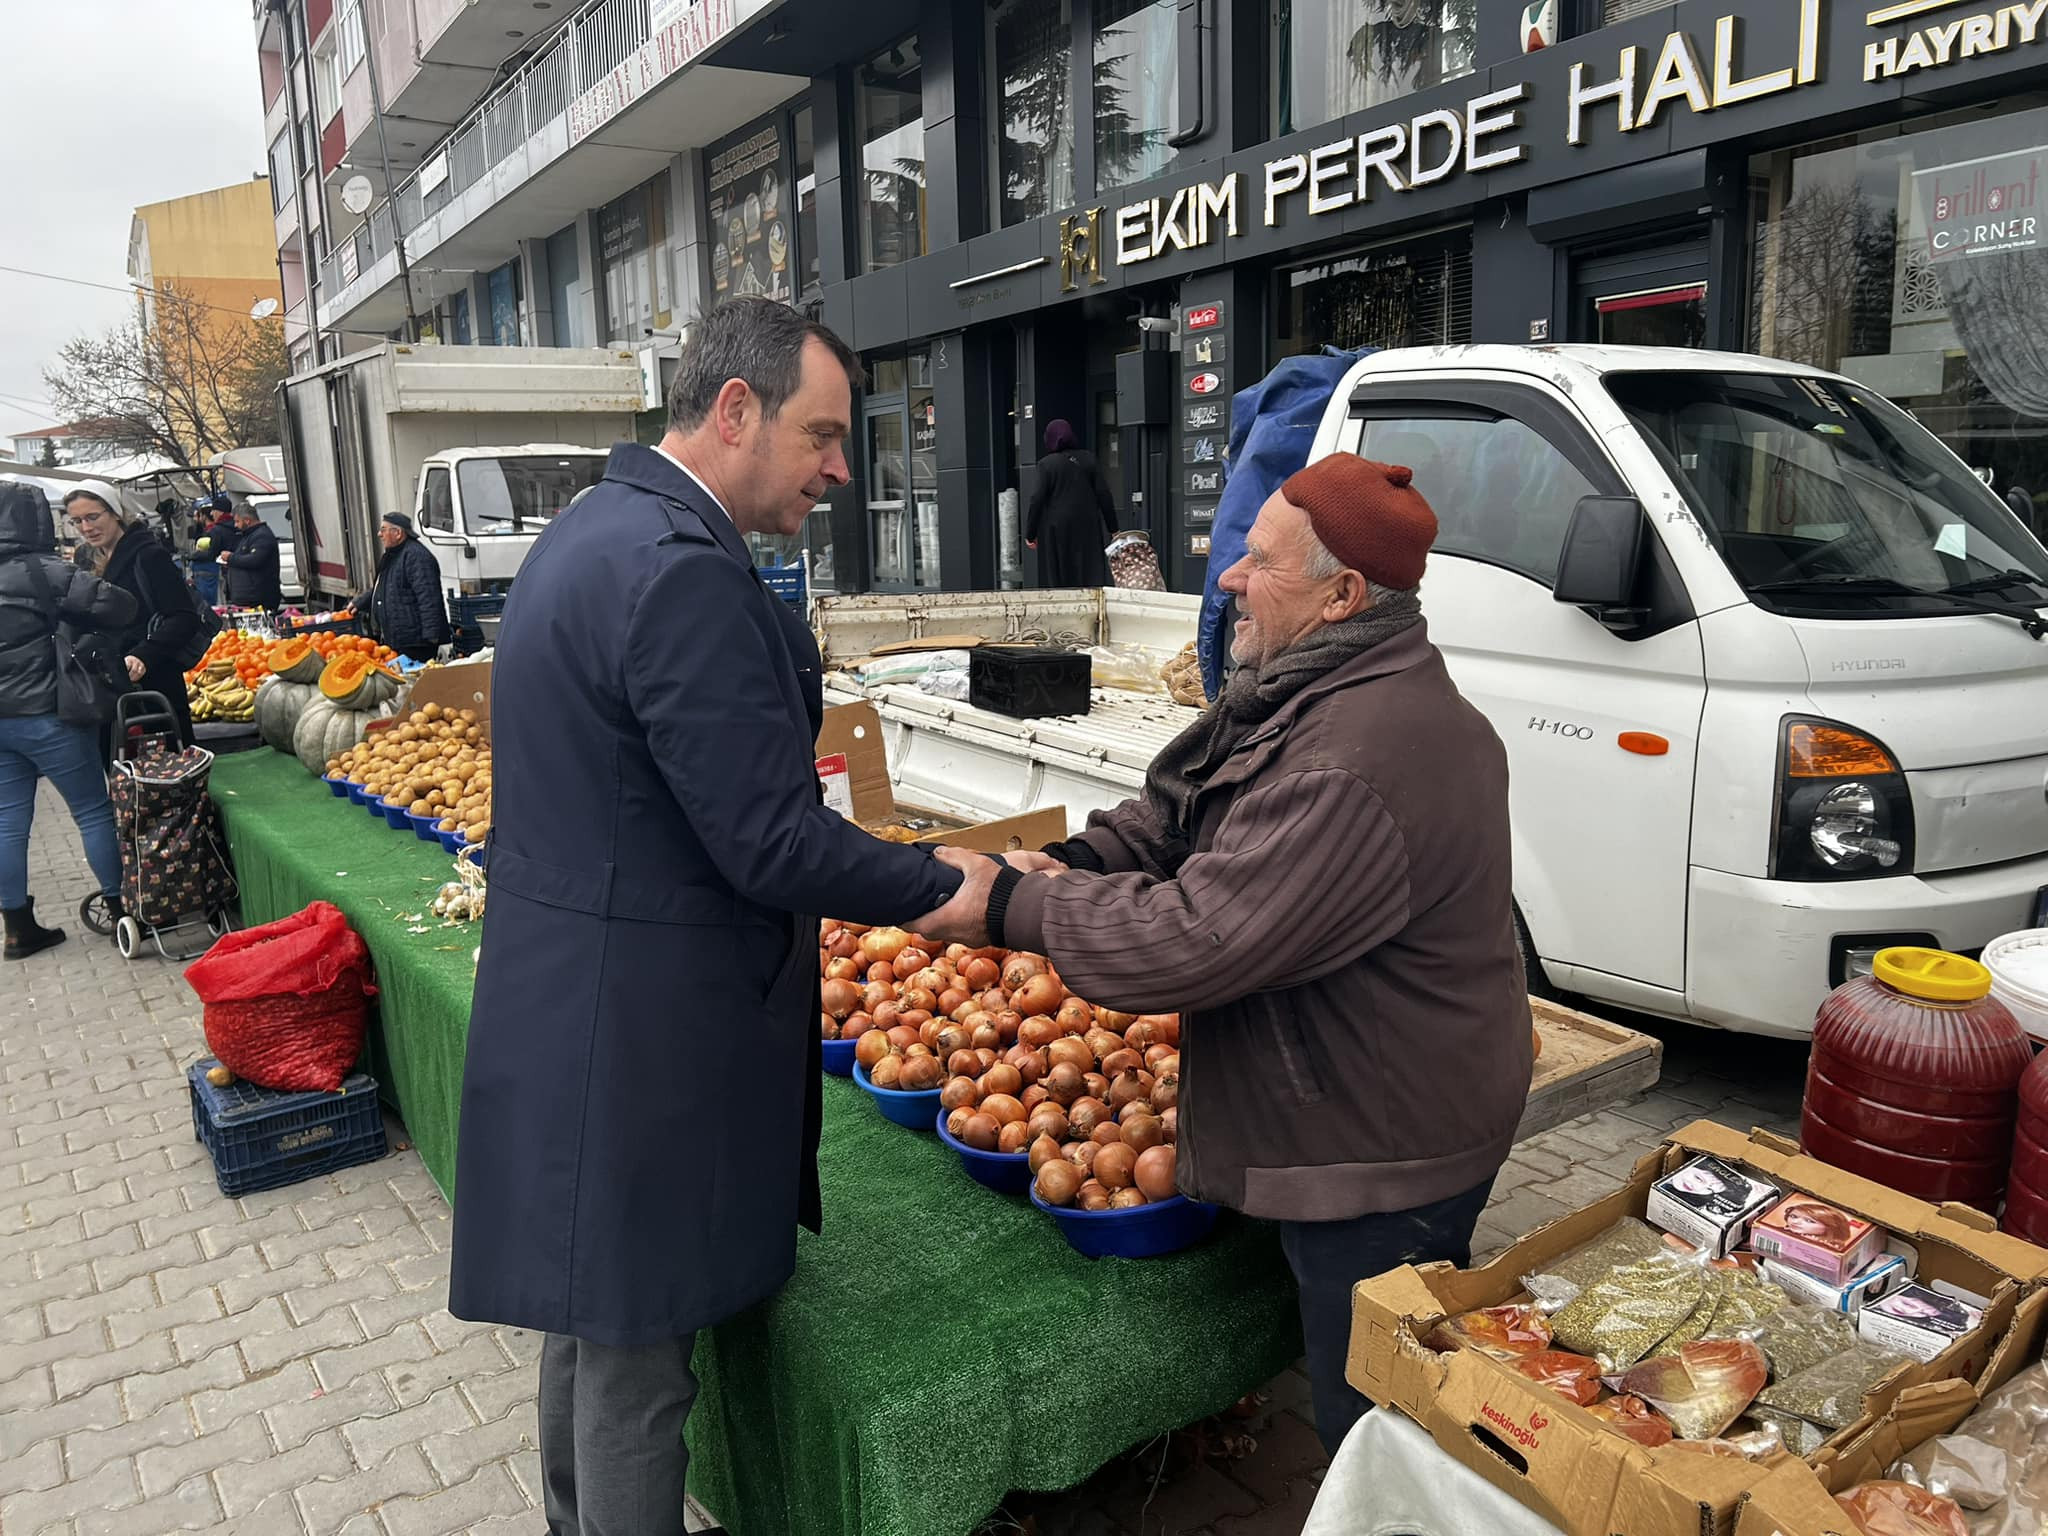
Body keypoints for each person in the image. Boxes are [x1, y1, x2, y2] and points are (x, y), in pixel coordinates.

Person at [448, 296, 979, 1536]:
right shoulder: (677, 573)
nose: (841, 468)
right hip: (637, 1032)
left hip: (576, 994)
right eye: (822, 434)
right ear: (735, 410)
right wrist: (945, 882)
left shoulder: (595, 531)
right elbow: (770, 842)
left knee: (590, 1330)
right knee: (637, 1366)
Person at [929, 453, 1530, 1457]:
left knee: (1371, 1431)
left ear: (1340, 596)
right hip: (1354, 1095)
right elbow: (1171, 819)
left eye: (1257, 562)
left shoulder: (1358, 756)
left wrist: (1015, 908)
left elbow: (1194, 940)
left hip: (1388, 1144)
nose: (1225, 580)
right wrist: (1066, 861)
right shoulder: (1300, 688)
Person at [0, 483, 139, 958]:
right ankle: (123, 910)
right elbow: (119, 605)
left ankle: (17, 928)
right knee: (91, 810)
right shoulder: (45, 570)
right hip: (47, 714)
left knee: (7, 822)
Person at [67, 482, 200, 750]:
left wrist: (143, 655)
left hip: (154, 689)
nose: (86, 528)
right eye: (77, 521)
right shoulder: (85, 560)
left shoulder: (149, 555)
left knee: (166, 778)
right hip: (106, 690)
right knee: (120, 775)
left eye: (93, 517)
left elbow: (184, 617)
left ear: (115, 512)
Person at [1025, 418, 1118, 587]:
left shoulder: (1047, 465)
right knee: (1089, 568)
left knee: (1060, 570)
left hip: (1058, 526)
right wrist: (1113, 528)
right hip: (1088, 524)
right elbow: (1104, 494)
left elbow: (1037, 498)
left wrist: (1030, 533)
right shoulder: (1089, 459)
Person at [356, 512, 448, 663]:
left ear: (398, 533)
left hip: (414, 643)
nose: (380, 534)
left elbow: (428, 598)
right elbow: (387, 587)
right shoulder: (394, 556)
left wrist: (431, 638)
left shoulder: (416, 557)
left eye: (383, 529)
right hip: (400, 640)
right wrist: (361, 602)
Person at [221, 502, 281, 612]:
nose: (235, 525)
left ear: (247, 520)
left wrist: (231, 558)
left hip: (259, 598)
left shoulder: (262, 536)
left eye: (237, 521)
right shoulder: (248, 536)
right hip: (247, 598)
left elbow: (255, 560)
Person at [189, 492, 237, 607]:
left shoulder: (217, 530)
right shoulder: (237, 526)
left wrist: (194, 555)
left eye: (213, 510)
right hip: (237, 572)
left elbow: (212, 554)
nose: (211, 513)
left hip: (219, 571)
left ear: (219, 512)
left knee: (218, 602)